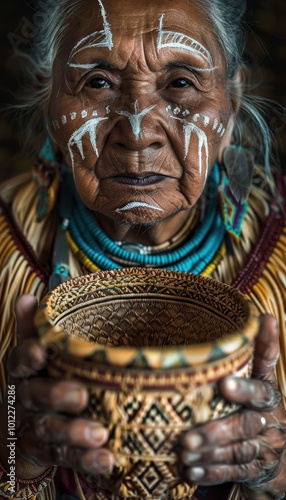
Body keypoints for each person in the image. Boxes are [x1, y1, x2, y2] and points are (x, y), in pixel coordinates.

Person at [0, 0, 285, 498]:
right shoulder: (8, 243)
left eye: (180, 83)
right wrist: (11, 447)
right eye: (97, 82)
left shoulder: (277, 241)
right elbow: (9, 457)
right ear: (50, 105)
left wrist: (275, 472)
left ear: (232, 101)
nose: (136, 133)